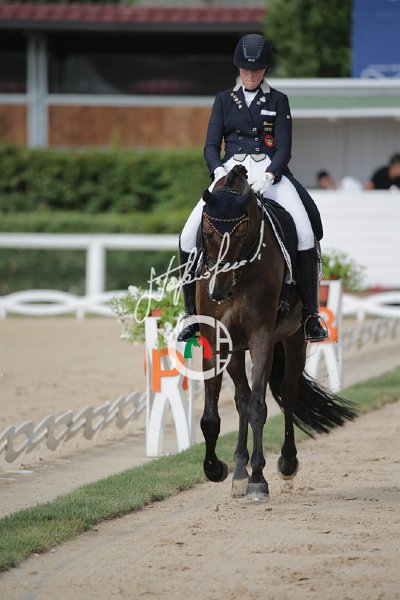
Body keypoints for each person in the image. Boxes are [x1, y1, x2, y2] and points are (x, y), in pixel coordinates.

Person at [177, 34, 328, 343]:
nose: (250, 74)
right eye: (246, 69)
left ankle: (311, 314)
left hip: (269, 173)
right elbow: (210, 146)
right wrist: (218, 170)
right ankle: (190, 313)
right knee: (187, 234)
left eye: (256, 70)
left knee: (304, 232)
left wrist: (270, 176)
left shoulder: (278, 100)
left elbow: (284, 149)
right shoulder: (223, 99)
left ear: (265, 70)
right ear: (238, 68)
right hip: (230, 174)